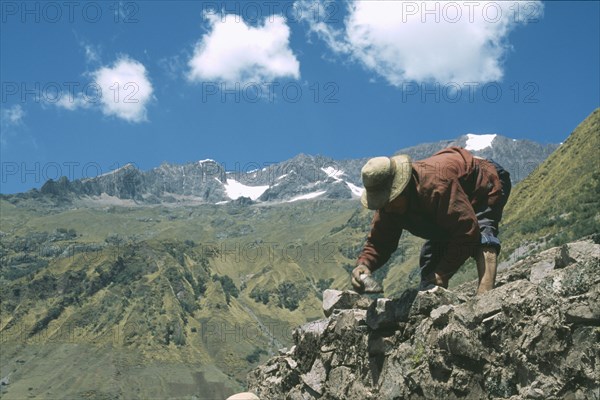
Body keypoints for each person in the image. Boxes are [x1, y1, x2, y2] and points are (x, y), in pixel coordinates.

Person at [351, 146, 511, 294]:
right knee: (430, 258)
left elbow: (467, 231)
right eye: (382, 203)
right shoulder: (388, 207)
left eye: (389, 200)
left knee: (483, 236)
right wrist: (364, 264)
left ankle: (486, 302)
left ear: (402, 188)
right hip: (449, 208)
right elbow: (380, 242)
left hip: (483, 181)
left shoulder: (436, 185)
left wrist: (442, 273)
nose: (387, 209)